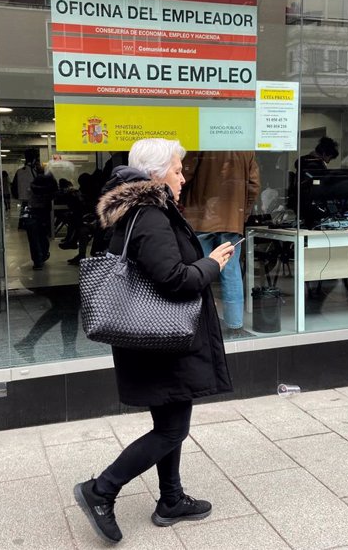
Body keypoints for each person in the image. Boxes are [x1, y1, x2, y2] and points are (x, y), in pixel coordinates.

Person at [74, 138, 235, 544]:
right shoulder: (149, 215)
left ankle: (171, 500)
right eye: (178, 170)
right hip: (164, 340)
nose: (183, 177)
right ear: (157, 174)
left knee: (169, 421)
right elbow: (175, 279)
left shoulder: (137, 210)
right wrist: (211, 265)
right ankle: (101, 490)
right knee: (171, 430)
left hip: (156, 339)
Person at [181, 151, 260, 334]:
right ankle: (235, 325)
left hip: (200, 217)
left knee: (199, 270)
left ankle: (199, 323)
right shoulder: (246, 149)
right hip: (232, 219)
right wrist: (243, 214)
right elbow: (254, 186)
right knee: (231, 271)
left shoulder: (202, 144)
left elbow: (184, 177)